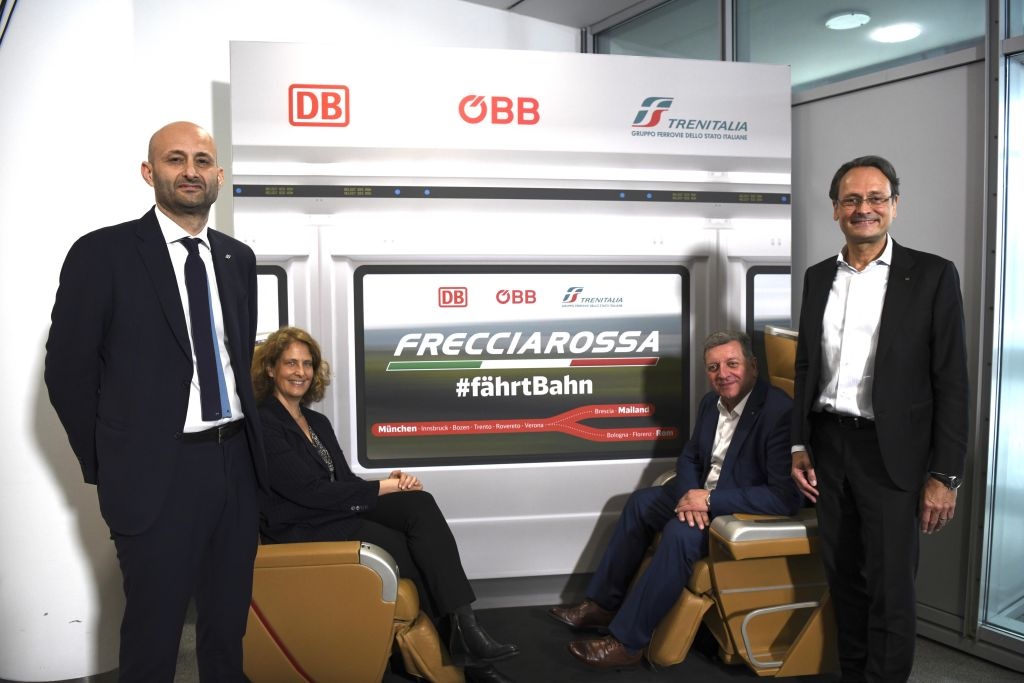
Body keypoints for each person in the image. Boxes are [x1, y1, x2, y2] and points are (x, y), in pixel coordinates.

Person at [44, 122, 265, 682]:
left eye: (202, 160)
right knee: (153, 635)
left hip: (236, 464)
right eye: (175, 159)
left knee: (227, 628)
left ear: (219, 176)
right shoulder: (102, 253)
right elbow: (68, 372)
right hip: (157, 471)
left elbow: (237, 358)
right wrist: (111, 461)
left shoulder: (238, 258)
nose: (190, 171)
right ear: (149, 172)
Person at [252, 326, 519, 683]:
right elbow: (309, 491)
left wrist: (393, 486)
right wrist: (383, 487)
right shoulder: (264, 423)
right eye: (290, 363)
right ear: (271, 369)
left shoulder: (316, 422)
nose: (300, 372)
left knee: (418, 502)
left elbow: (343, 481)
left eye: (307, 364)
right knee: (407, 552)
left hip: (332, 511)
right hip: (302, 525)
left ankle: (467, 629)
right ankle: (468, 662)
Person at [790, 155, 969, 682]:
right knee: (845, 584)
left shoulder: (932, 275)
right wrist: (799, 443)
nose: (863, 208)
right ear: (835, 209)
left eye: (875, 198)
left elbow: (952, 380)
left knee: (890, 591)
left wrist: (944, 474)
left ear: (894, 206)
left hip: (893, 456)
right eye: (851, 199)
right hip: (829, 448)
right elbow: (806, 367)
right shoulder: (818, 277)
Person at [550, 331, 801, 669]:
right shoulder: (710, 404)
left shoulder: (779, 412)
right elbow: (690, 458)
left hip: (735, 508)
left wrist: (708, 501)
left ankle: (627, 643)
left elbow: (784, 497)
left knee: (680, 534)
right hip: (701, 493)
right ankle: (603, 606)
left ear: (753, 366)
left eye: (732, 364)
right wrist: (688, 495)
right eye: (713, 367)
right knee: (641, 504)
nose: (723, 374)